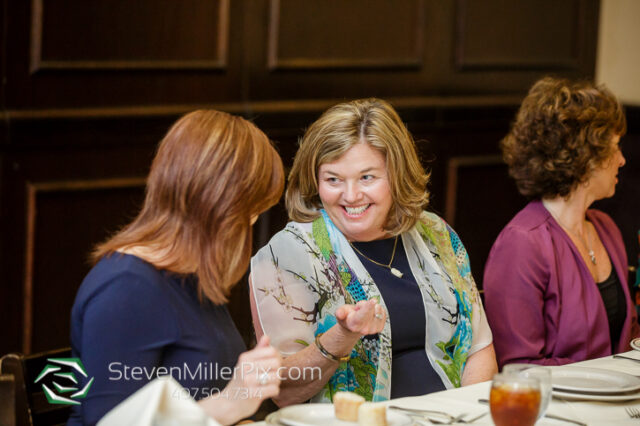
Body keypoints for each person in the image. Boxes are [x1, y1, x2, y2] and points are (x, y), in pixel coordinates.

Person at [249, 98, 497, 405]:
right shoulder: (286, 255)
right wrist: (341, 336)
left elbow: (479, 347)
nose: (351, 196)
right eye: (333, 179)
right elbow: (284, 392)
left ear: (397, 174)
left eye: (367, 177)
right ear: (315, 181)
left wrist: (467, 416)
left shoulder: (434, 233)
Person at [68, 110, 285, 425]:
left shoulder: (192, 277)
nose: (251, 225)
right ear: (219, 204)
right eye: (250, 211)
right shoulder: (126, 287)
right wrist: (232, 402)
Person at [483, 77, 640, 367]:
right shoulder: (522, 243)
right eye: (615, 147)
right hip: (556, 409)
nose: (622, 160)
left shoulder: (607, 229)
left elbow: (628, 336)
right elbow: (519, 366)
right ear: (585, 155)